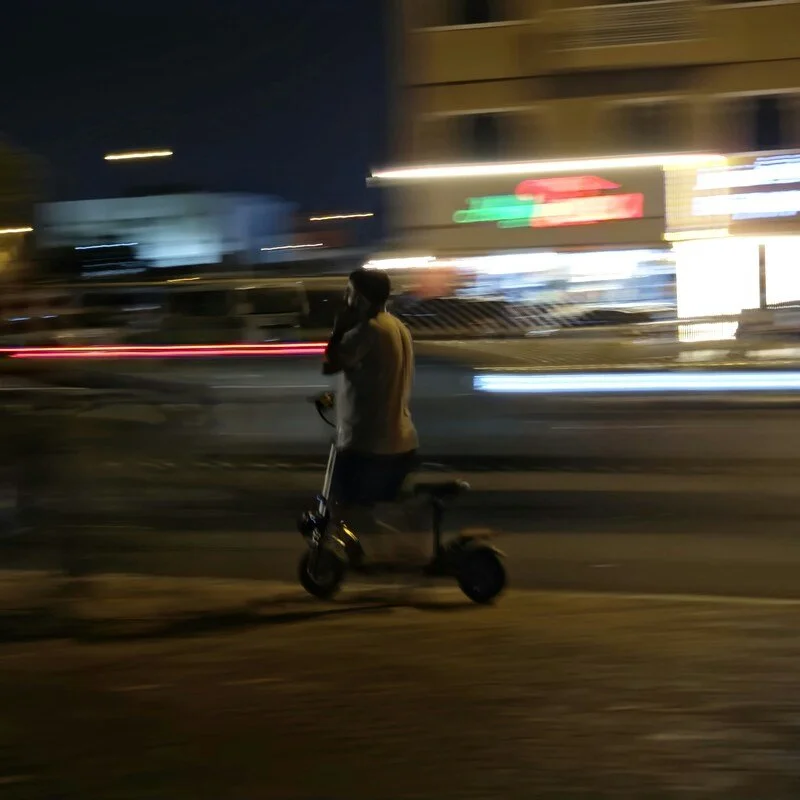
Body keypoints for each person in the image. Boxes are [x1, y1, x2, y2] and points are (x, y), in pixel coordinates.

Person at [323, 268, 421, 559]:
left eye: (349, 292)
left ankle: (392, 557)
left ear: (362, 298)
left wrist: (339, 327)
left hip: (367, 441)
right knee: (369, 508)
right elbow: (375, 375)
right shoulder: (397, 327)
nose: (345, 298)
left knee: (340, 506)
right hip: (400, 438)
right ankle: (389, 555)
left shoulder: (366, 331)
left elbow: (330, 363)